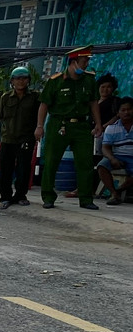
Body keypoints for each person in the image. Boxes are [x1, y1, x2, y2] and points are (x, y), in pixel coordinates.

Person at [36, 44, 102, 210]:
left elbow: (93, 102)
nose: (86, 63)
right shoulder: (55, 81)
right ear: (73, 62)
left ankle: (86, 199)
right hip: (59, 124)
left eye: (87, 60)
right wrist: (39, 126)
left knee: (85, 162)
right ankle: (48, 197)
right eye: (84, 60)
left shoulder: (89, 79)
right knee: (51, 161)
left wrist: (98, 123)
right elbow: (44, 105)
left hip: (81, 125)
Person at [0, 66, 40, 210]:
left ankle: (21, 195)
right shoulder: (6, 97)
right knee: (5, 169)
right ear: (12, 81)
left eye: (24, 78)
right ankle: (5, 197)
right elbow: (1, 116)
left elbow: (39, 116)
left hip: (26, 138)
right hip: (8, 138)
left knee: (24, 168)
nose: (21, 81)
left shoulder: (35, 97)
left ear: (28, 80)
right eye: (17, 78)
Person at [97, 96, 133, 205]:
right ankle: (114, 194)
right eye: (123, 110)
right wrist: (112, 158)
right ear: (118, 113)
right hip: (117, 156)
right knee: (102, 166)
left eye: (129, 109)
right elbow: (105, 147)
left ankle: (118, 191)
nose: (126, 112)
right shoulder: (112, 128)